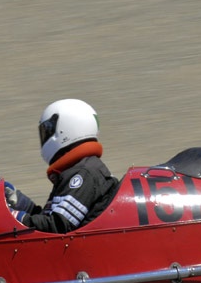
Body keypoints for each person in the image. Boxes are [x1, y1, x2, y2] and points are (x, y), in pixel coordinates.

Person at [7, 99, 119, 233]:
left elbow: (57, 226)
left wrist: (10, 216)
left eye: (47, 130)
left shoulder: (84, 173)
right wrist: (17, 200)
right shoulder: (77, 169)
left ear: (64, 129)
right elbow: (46, 218)